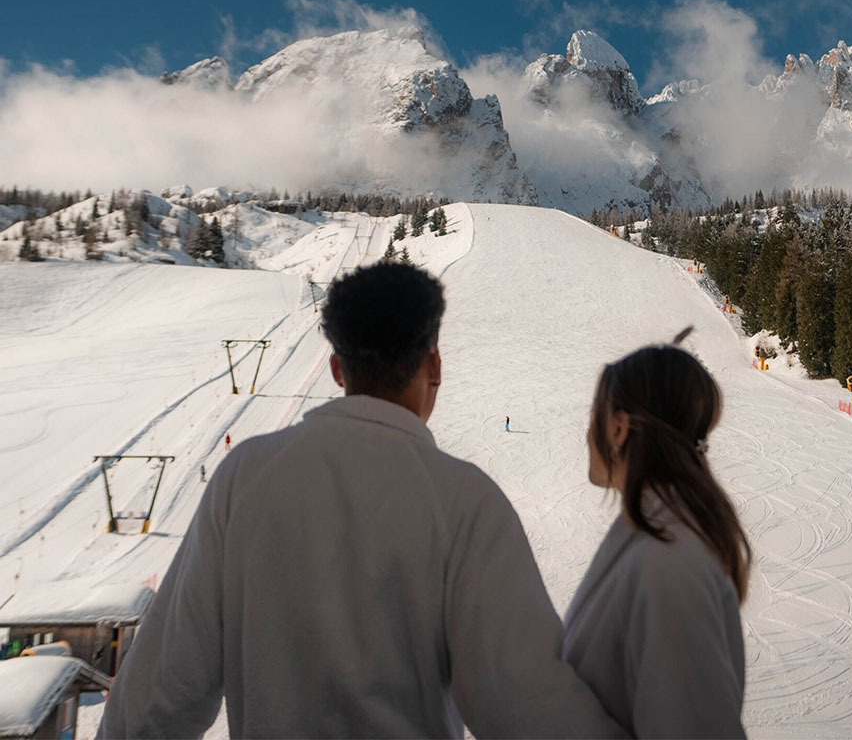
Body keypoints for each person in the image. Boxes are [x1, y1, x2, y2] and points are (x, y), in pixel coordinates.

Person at [98, 261, 623, 740]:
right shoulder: (464, 500)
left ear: (336, 370)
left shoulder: (245, 478)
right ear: (434, 364)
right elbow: (527, 704)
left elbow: (156, 699)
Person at [563, 336, 750, 739]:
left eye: (594, 415)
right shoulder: (657, 535)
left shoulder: (668, 561)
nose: (586, 433)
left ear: (619, 427)